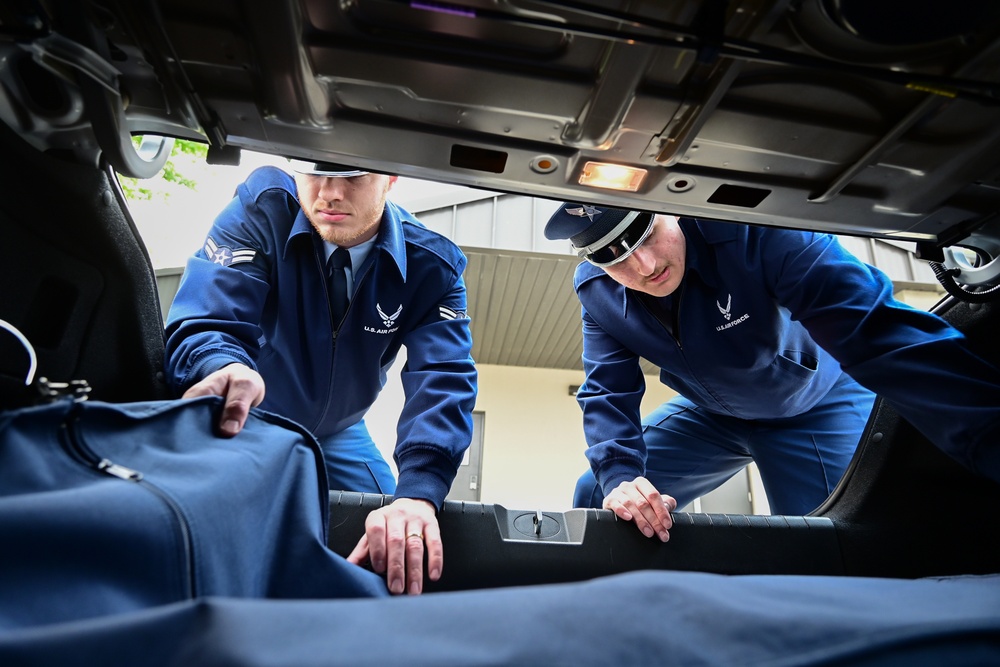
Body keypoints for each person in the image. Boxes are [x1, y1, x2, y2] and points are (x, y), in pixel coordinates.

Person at [544, 203, 1000, 542]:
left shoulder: (754, 230)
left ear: (671, 209)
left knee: (829, 541)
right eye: (613, 257)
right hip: (714, 415)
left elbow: (872, 327)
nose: (645, 267)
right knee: (603, 496)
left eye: (645, 236)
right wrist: (622, 477)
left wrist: (986, 433)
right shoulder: (597, 291)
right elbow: (607, 390)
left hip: (816, 403)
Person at [164, 160, 478, 595]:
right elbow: (210, 318)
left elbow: (442, 377)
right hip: (248, 419)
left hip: (342, 432)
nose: (330, 192)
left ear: (391, 176)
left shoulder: (433, 266)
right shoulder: (260, 211)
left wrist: (419, 492)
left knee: (398, 542)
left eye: (353, 176)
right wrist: (223, 365)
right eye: (314, 174)